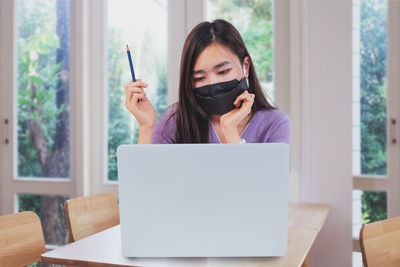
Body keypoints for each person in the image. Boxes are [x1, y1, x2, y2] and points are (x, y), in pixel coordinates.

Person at [124, 19, 291, 145]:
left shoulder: (275, 124)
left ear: (245, 66)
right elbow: (146, 183)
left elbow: (261, 189)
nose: (213, 83)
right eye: (199, 78)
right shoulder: (175, 121)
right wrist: (146, 126)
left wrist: (230, 131)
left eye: (223, 71)